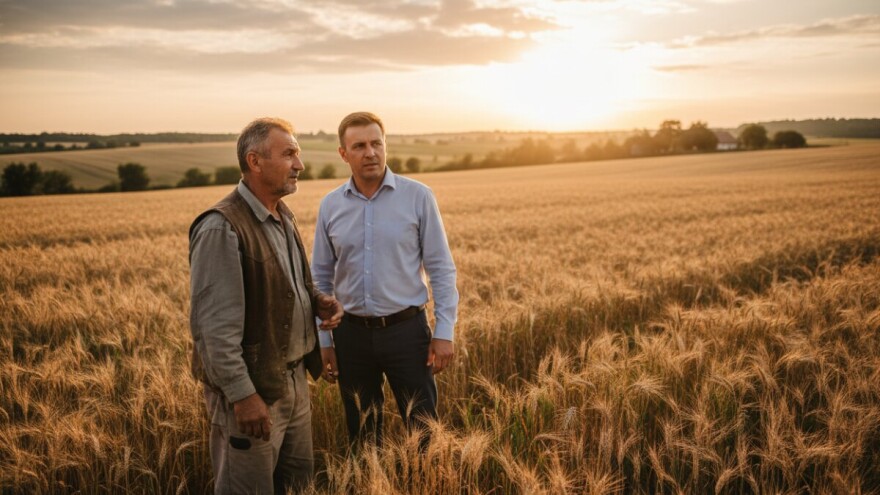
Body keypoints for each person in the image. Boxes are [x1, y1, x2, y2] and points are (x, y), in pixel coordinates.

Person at [188, 117, 343, 494]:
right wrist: (243, 396)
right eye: (289, 154)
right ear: (254, 161)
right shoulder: (222, 227)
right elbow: (214, 331)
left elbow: (288, 283)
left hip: (292, 382)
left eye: (298, 154)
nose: (299, 165)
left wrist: (316, 300)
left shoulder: (281, 214)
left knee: (298, 486)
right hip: (254, 392)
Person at [311, 111, 459, 447]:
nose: (370, 153)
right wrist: (324, 341)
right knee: (363, 435)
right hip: (350, 336)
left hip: (407, 332)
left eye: (376, 143)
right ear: (343, 153)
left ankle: (426, 477)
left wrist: (444, 332)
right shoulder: (331, 205)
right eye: (359, 146)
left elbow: (440, 267)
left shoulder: (418, 196)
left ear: (385, 145)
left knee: (423, 432)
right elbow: (320, 275)